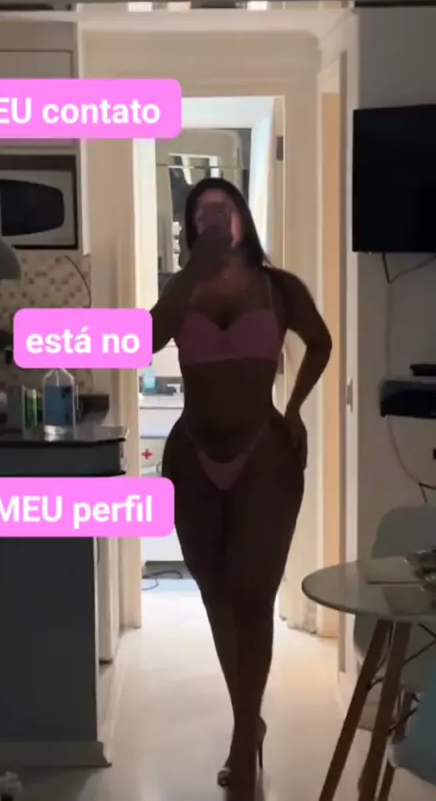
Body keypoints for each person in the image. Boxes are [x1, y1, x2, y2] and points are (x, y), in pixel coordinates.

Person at [150, 177, 332, 801]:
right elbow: (146, 338)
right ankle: (248, 718)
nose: (212, 219)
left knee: (253, 599)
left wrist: (296, 407)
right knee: (216, 596)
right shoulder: (181, 290)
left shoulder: (279, 288)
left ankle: (242, 736)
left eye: (222, 209)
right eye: (200, 213)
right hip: (191, 457)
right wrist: (190, 273)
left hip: (264, 456)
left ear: (242, 219)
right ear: (189, 227)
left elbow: (321, 342)